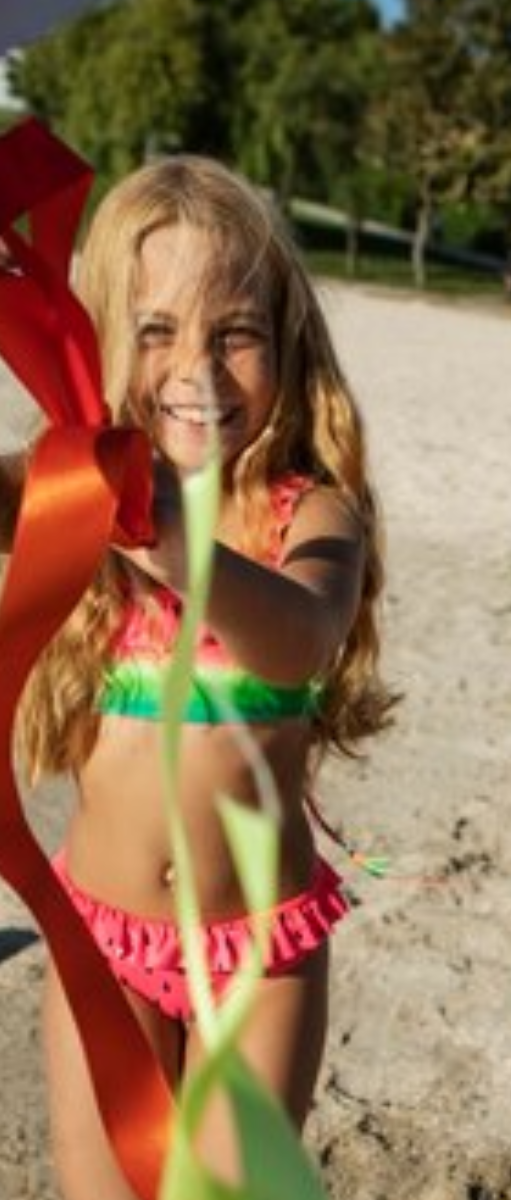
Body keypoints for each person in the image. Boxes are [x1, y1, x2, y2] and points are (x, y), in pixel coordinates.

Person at [1, 155, 396, 1199]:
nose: (199, 370)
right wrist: (83, 494)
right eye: (158, 329)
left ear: (285, 341)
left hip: (259, 957)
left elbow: (302, 636)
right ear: (98, 342)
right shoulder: (71, 492)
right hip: (105, 940)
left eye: (235, 333)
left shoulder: (307, 514)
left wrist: (171, 538)